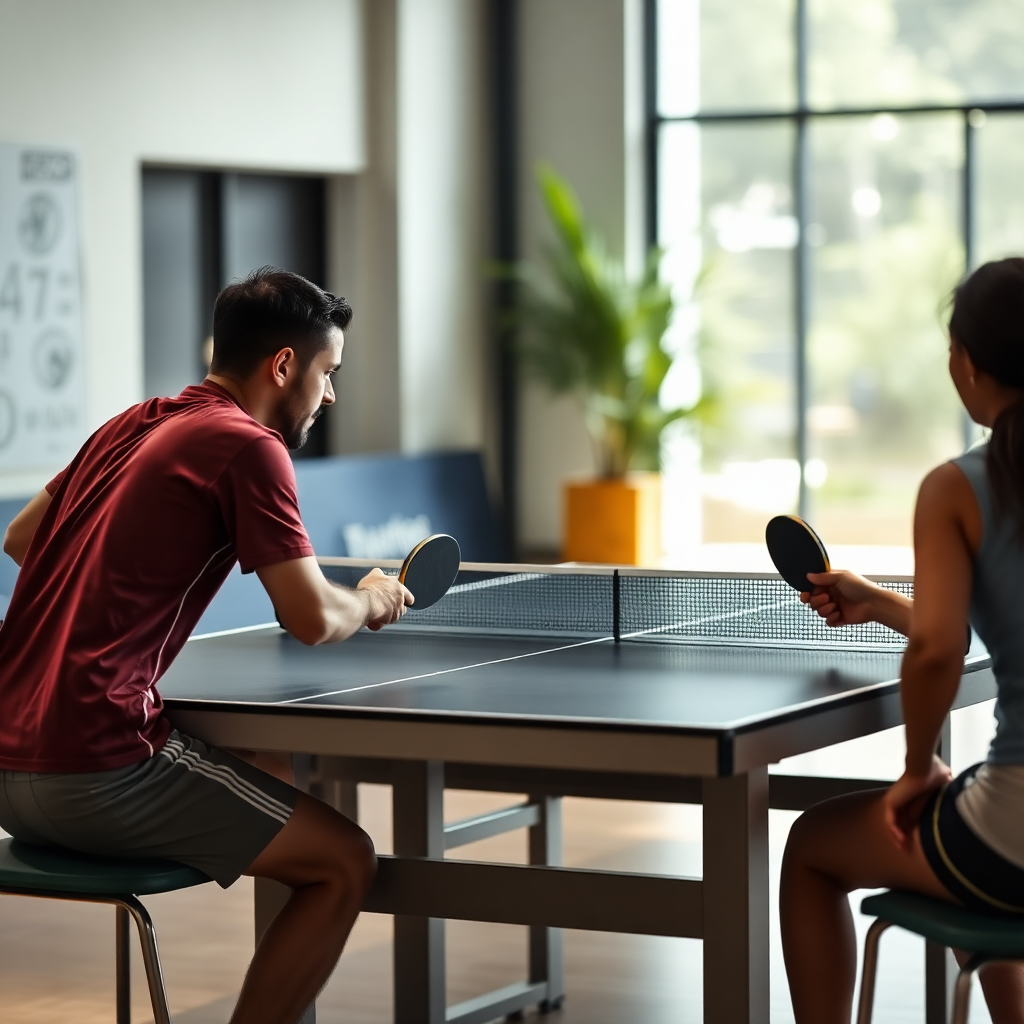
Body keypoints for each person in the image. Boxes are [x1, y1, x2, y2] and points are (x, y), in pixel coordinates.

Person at [0, 266, 413, 1023]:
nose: (330, 396)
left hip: (9, 771)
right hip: (96, 770)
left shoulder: (131, 420)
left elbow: (21, 538)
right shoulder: (248, 447)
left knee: (270, 765)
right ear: (283, 365)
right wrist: (374, 597)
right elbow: (314, 618)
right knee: (345, 862)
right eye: (327, 373)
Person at [781, 257, 1024, 1024]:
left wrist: (916, 769)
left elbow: (939, 653)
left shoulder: (959, 487)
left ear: (967, 364)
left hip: (1017, 835)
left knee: (810, 848)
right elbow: (957, 629)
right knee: (956, 816)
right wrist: (880, 602)